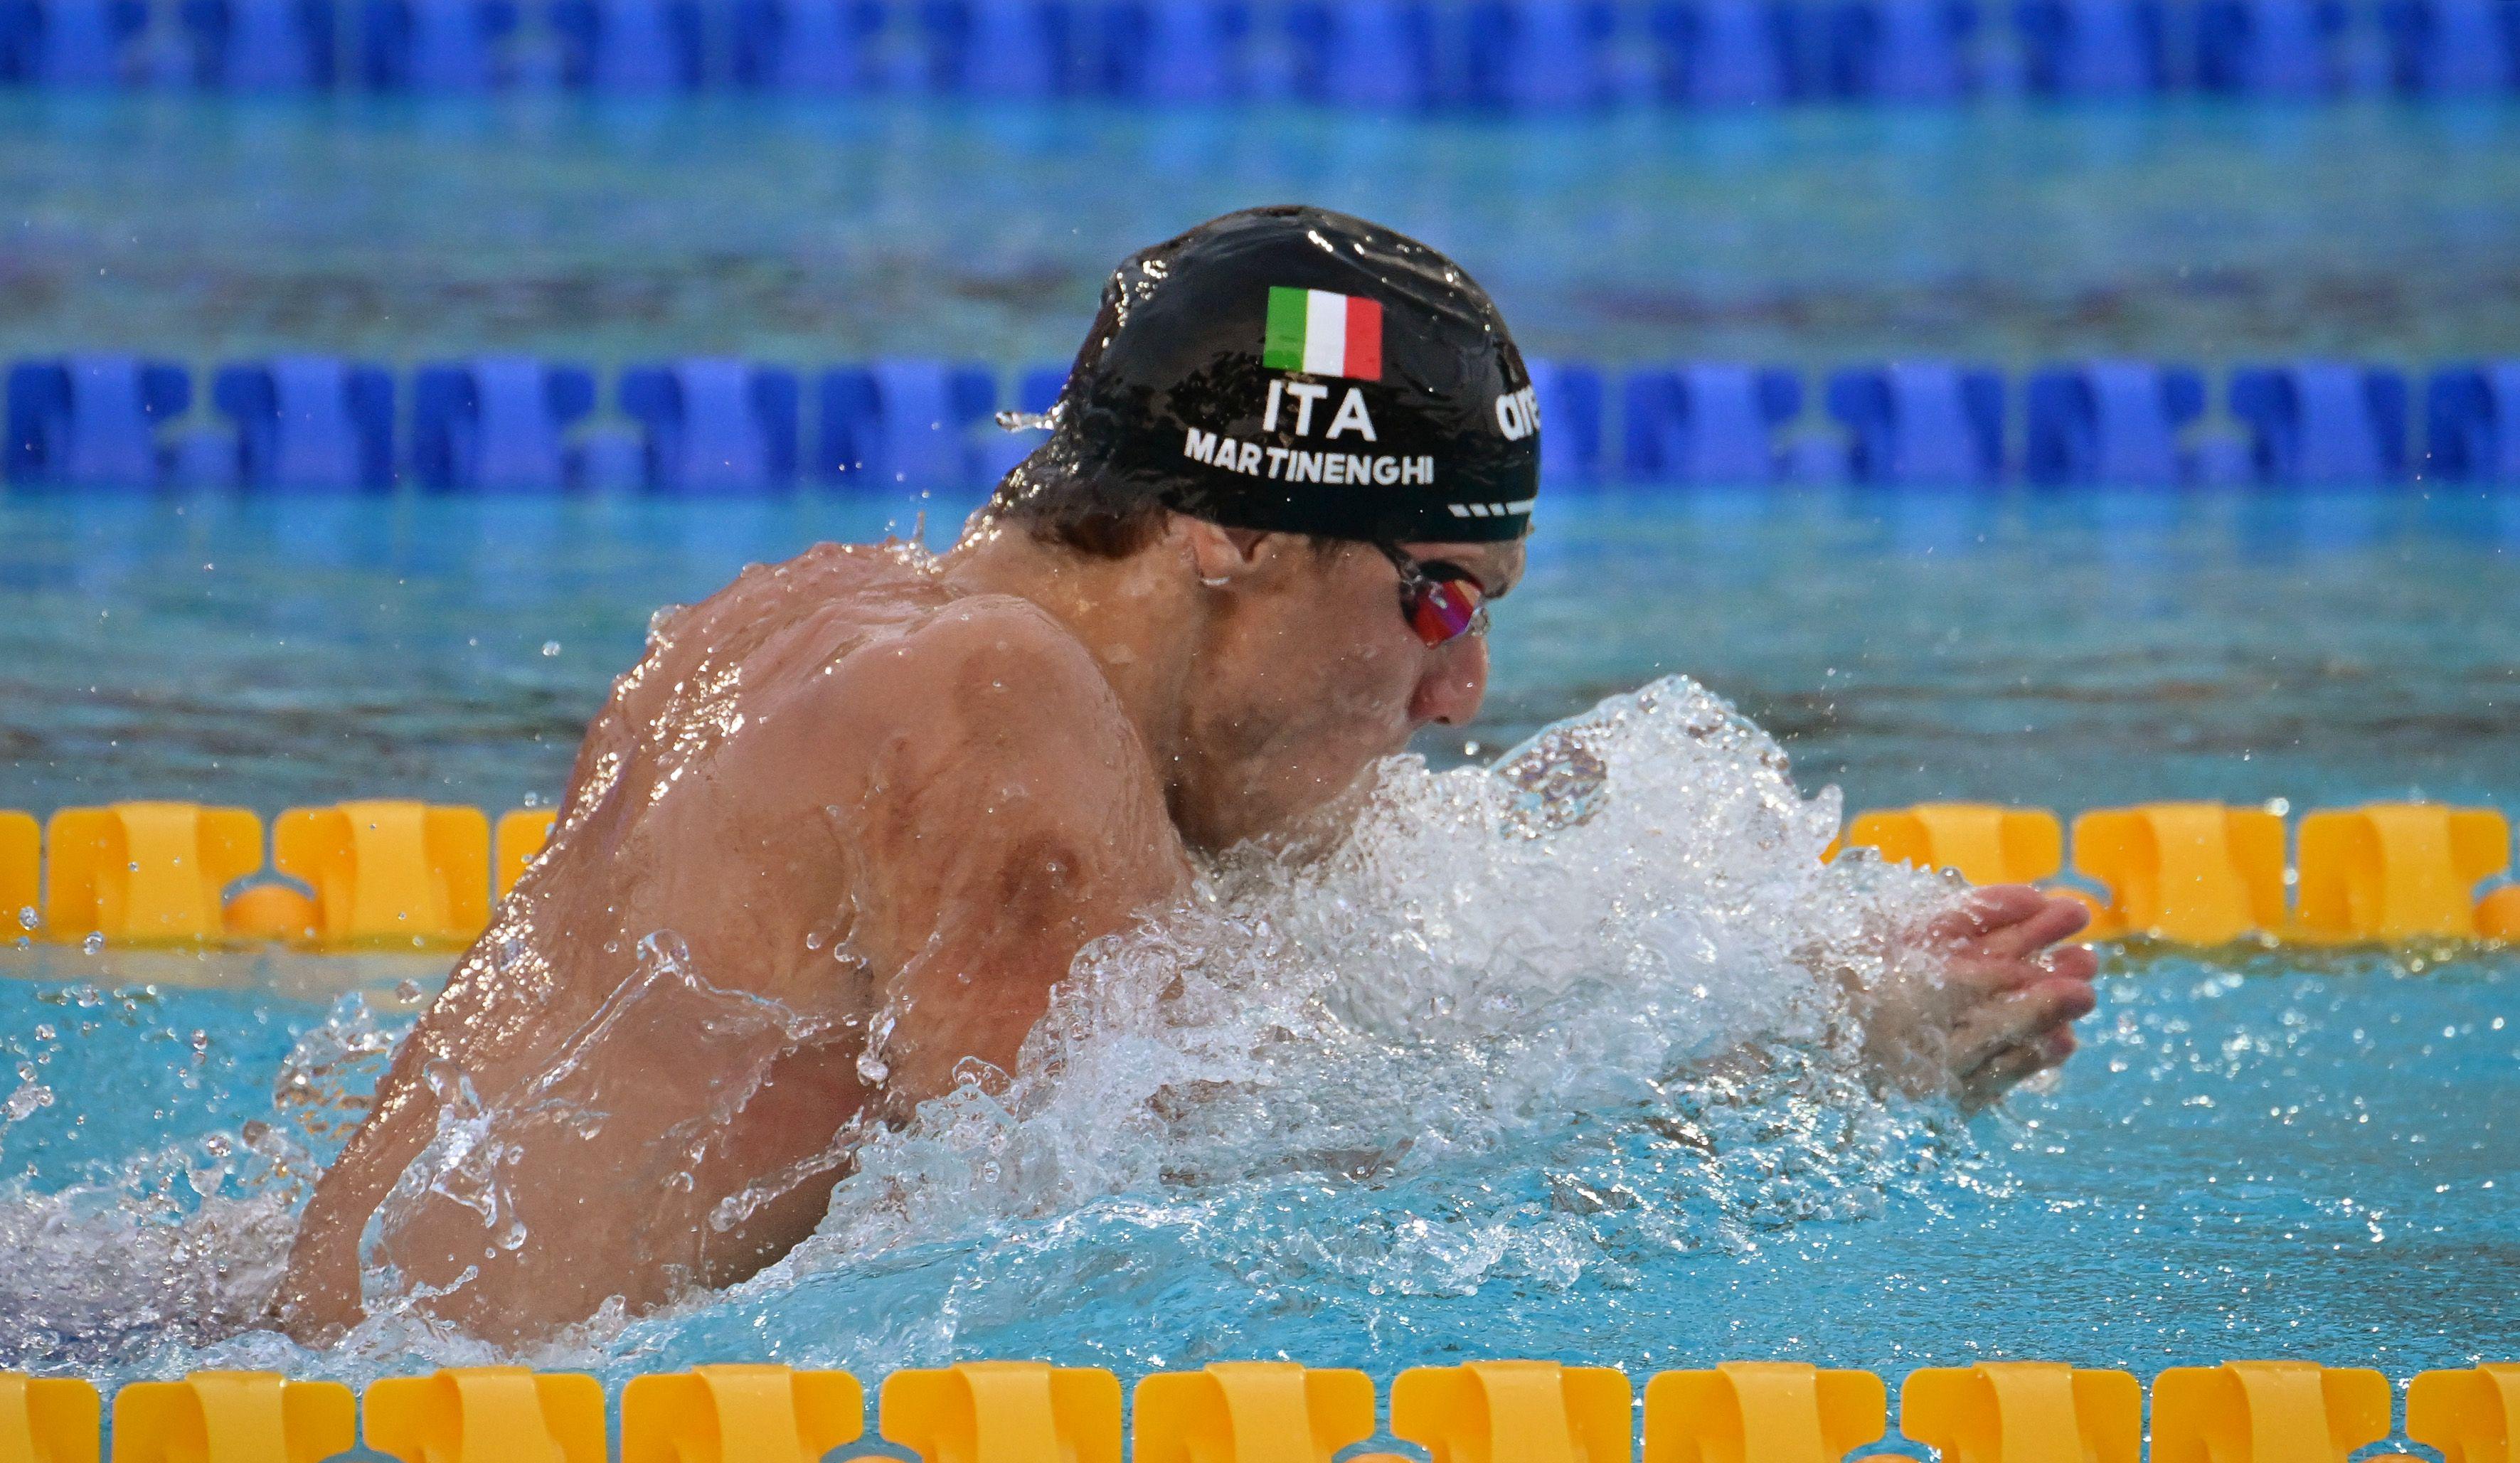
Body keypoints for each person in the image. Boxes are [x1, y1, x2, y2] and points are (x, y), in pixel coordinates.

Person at [275, 206, 2097, 1347]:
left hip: (312, 1378)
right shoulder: (1002, 715)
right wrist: (1801, 1064)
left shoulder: (820, 612)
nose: (1461, 691)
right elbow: (1156, 1232)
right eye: (1436, 595)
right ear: (1232, 528)